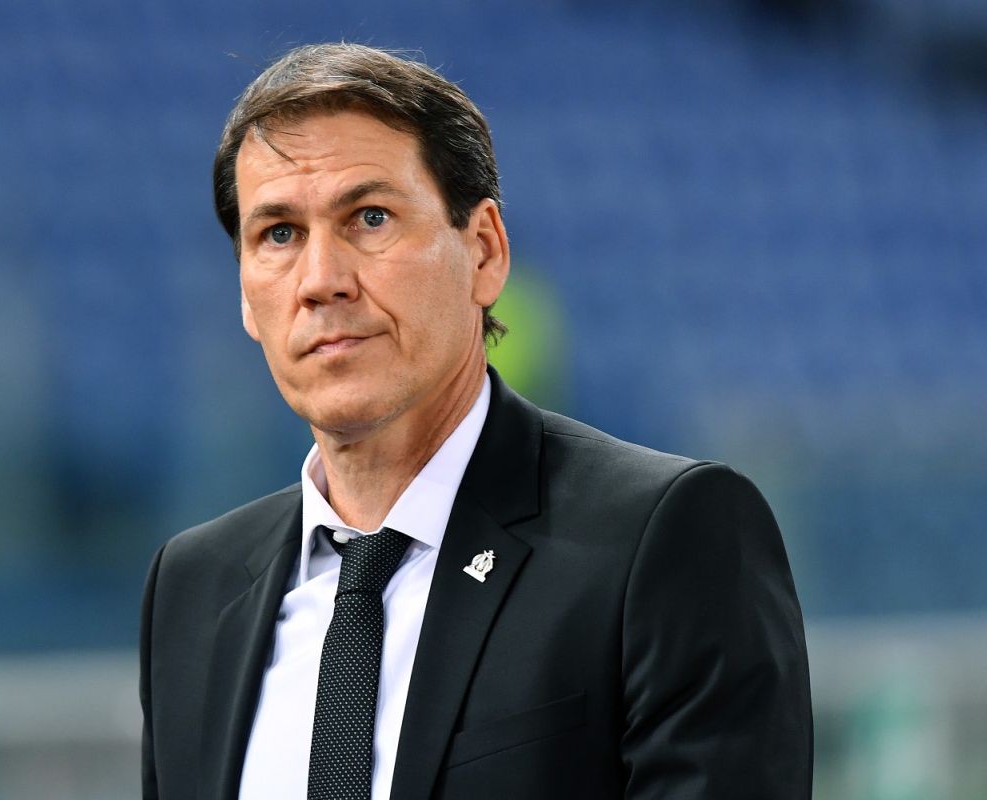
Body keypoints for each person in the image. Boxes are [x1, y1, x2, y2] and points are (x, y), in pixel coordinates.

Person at [140, 42, 812, 800]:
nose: (321, 280)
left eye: (369, 217)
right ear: (244, 294)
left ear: (485, 251)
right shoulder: (191, 591)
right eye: (280, 235)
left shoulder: (666, 539)